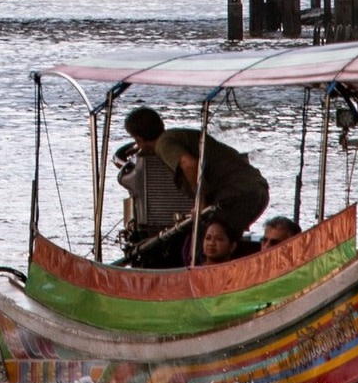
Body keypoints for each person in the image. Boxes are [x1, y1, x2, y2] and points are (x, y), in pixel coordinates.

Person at [156, 126, 274, 245]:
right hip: (258, 189)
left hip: (235, 194)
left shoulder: (163, 142)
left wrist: (201, 203)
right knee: (229, 241)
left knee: (206, 244)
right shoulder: (183, 136)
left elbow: (190, 164)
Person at [114, 108, 195, 268]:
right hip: (190, 221)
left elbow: (124, 179)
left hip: (155, 226)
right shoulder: (181, 145)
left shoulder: (152, 155)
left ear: (139, 139)